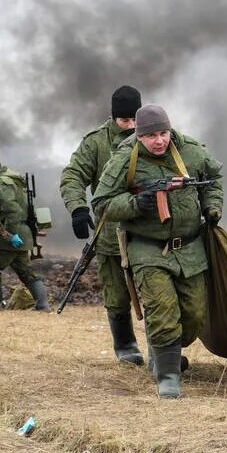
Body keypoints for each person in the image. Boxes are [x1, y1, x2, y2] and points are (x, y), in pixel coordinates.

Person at [92, 105, 225, 399]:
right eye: (151, 135)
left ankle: (164, 349)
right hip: (148, 248)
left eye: (163, 133)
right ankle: (167, 375)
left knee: (193, 316)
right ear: (139, 136)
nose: (159, 141)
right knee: (163, 312)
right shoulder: (125, 159)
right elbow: (101, 204)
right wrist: (137, 204)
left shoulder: (190, 151)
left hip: (190, 248)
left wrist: (212, 208)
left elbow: (213, 181)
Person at [61, 85, 144, 364]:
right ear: (114, 117)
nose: (131, 126)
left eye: (135, 120)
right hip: (110, 233)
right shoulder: (96, 142)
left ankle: (162, 351)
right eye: (125, 120)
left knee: (159, 293)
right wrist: (78, 208)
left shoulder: (154, 135)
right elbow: (73, 176)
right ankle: (125, 345)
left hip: (150, 232)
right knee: (116, 293)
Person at [0, 151, 47, 310]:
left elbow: (12, 210)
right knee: (25, 271)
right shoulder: (13, 179)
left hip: (13, 232)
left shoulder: (4, 183)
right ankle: (42, 304)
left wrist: (9, 234)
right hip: (22, 231)